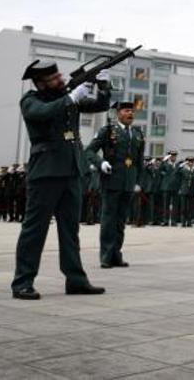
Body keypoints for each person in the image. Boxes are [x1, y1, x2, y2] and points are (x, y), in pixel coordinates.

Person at [11, 59, 108, 299]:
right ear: (41, 83)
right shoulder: (31, 100)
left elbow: (100, 105)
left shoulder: (68, 97)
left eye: (59, 76)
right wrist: (71, 98)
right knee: (35, 230)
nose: (60, 80)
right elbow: (43, 113)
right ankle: (22, 282)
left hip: (72, 170)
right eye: (54, 78)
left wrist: (104, 85)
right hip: (46, 172)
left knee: (70, 229)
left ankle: (75, 280)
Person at [86, 101, 145, 268]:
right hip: (112, 180)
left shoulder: (138, 133)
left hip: (128, 182)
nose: (130, 114)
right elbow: (89, 151)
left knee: (121, 221)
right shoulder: (108, 130)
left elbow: (139, 161)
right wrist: (101, 163)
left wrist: (138, 182)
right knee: (108, 219)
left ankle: (116, 254)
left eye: (132, 111)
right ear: (119, 113)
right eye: (127, 111)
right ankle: (106, 256)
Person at [159, 150, 180, 226]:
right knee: (165, 205)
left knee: (175, 205)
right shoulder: (165, 164)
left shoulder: (178, 165)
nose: (173, 157)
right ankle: (165, 220)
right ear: (169, 157)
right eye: (172, 156)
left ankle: (174, 221)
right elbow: (159, 170)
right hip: (166, 187)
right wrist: (164, 160)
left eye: (174, 156)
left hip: (175, 187)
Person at [178, 156, 194, 227]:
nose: (190, 163)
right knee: (183, 207)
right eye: (189, 161)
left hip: (192, 191)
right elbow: (176, 172)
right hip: (184, 190)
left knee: (191, 207)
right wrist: (182, 165)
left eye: (192, 162)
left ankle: (189, 221)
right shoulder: (183, 170)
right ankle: (183, 222)